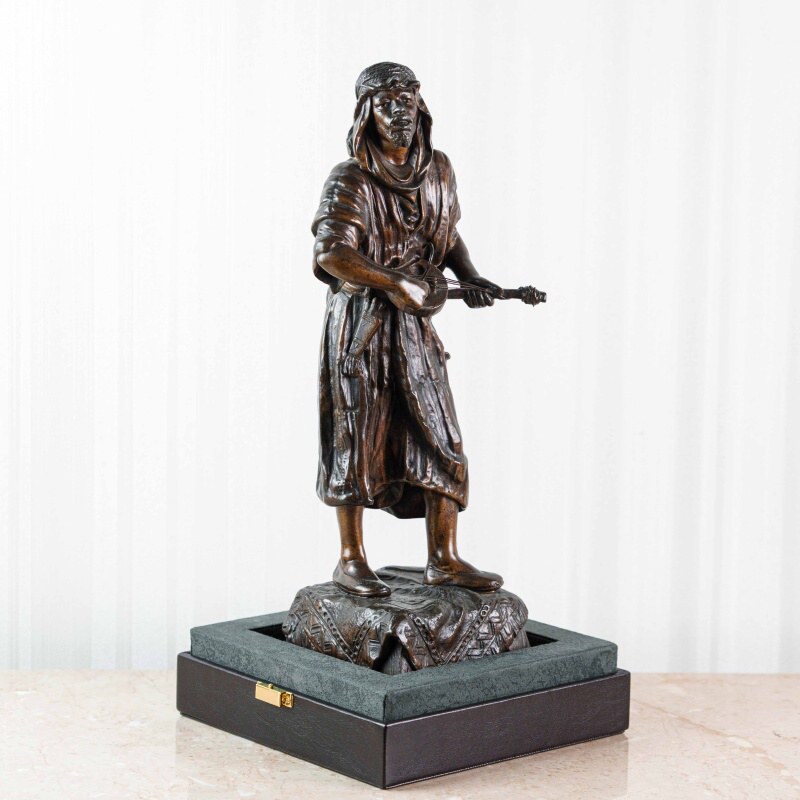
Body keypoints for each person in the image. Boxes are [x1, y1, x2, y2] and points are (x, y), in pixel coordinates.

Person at [312, 62, 503, 597]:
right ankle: (350, 558)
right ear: (366, 113)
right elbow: (331, 253)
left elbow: (448, 232)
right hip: (361, 329)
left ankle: (443, 558)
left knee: (441, 435)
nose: (399, 111)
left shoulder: (438, 170)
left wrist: (470, 276)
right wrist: (395, 281)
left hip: (415, 330)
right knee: (357, 434)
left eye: (408, 98)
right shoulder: (349, 179)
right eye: (386, 102)